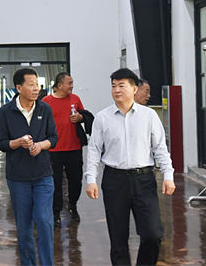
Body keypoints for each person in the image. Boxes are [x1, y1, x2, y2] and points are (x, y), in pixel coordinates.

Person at [85, 68, 175, 266]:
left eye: (121, 85)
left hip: (144, 180)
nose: (117, 90)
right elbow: (94, 151)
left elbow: (160, 148)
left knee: (152, 234)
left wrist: (168, 175)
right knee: (118, 238)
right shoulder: (103, 117)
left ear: (134, 89)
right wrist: (91, 179)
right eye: (113, 86)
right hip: (114, 180)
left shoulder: (149, 116)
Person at [0, 68, 58, 266]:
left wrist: (41, 145)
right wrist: (18, 142)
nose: (36, 88)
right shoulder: (5, 112)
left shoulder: (44, 109)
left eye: (37, 84)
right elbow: (2, 143)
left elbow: (53, 138)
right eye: (31, 84)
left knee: (44, 220)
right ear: (18, 87)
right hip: (18, 178)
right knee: (24, 227)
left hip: (43, 175)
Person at [42, 72, 86, 228]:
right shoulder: (46, 102)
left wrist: (80, 118)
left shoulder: (75, 99)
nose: (72, 86)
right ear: (59, 85)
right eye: (69, 83)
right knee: (55, 183)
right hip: (53, 149)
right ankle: (55, 212)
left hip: (74, 148)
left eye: (72, 82)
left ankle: (73, 205)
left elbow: (84, 115)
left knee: (75, 181)